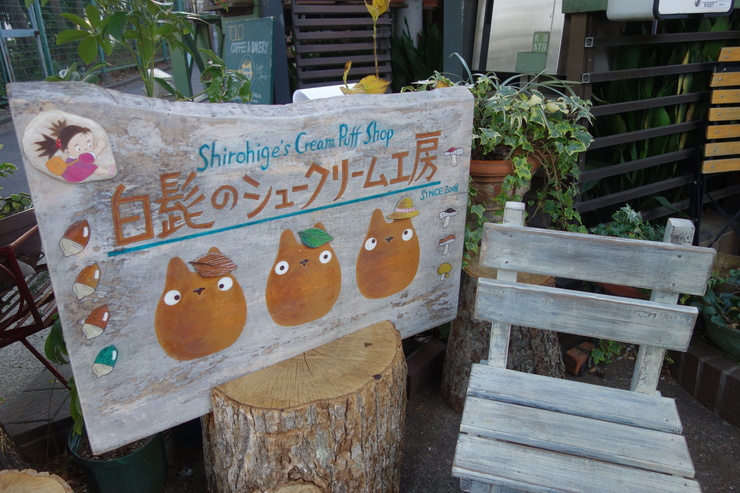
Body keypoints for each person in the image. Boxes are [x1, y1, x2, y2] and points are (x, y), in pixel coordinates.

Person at [35, 119, 112, 183]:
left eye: (89, 145)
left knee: (89, 167)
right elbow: (92, 156)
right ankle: (107, 172)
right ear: (67, 151)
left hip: (67, 176)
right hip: (76, 175)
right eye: (79, 148)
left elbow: (64, 157)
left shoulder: (67, 155)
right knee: (93, 168)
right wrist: (99, 147)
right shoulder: (82, 156)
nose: (86, 149)